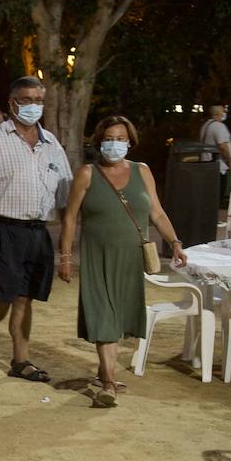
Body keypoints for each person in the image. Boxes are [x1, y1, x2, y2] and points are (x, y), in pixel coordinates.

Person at [59, 116, 187, 407]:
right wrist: (65, 257)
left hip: (130, 259)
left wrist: (175, 243)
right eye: (109, 138)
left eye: (120, 139)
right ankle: (108, 383)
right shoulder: (87, 174)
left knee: (118, 320)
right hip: (97, 258)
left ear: (130, 142)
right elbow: (69, 218)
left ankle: (103, 372)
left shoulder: (143, 171)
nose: (114, 144)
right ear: (98, 141)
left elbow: (157, 212)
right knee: (103, 317)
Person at [0, 76, 74, 382]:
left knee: (25, 296)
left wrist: (66, 238)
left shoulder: (52, 145)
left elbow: (65, 195)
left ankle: (20, 360)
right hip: (2, 228)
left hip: (37, 232)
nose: (34, 107)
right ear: (13, 103)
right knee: (5, 293)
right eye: (28, 100)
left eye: (39, 101)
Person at [199, 104, 231, 190]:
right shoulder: (219, 126)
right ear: (218, 114)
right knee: (217, 195)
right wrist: (229, 161)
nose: (224, 113)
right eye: (223, 111)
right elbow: (222, 146)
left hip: (206, 164)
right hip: (218, 168)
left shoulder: (206, 125)